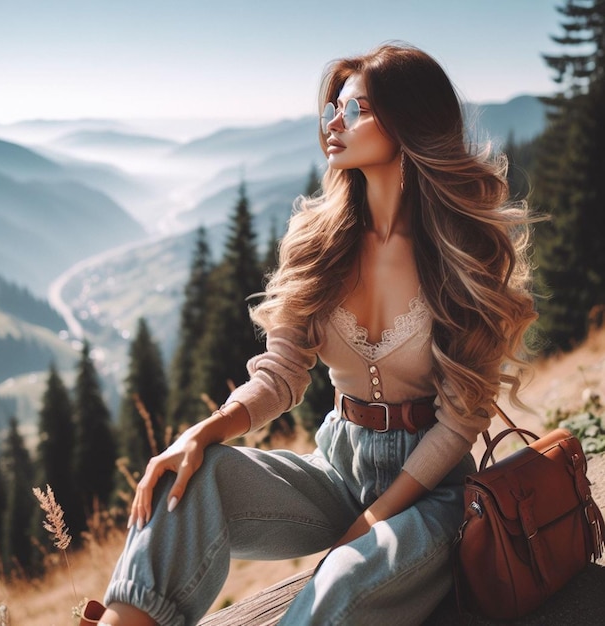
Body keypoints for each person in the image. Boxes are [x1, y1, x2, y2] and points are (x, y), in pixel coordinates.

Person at [95, 41, 537, 625]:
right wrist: (206, 431)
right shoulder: (317, 242)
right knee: (189, 476)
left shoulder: (463, 254)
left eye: (356, 110)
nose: (334, 122)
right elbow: (280, 374)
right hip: (337, 466)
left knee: (340, 588)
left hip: (433, 494)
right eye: (333, 107)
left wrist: (373, 521)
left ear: (409, 123)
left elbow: (460, 419)